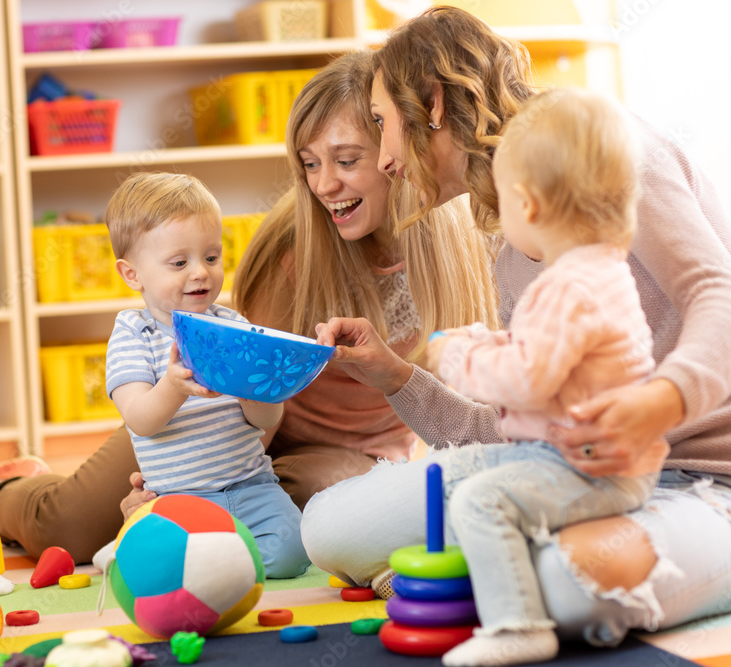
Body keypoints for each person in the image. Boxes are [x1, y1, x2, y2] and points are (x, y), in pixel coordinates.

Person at [0, 50, 498, 566]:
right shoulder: (290, 247)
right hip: (216, 422)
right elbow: (234, 376)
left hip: (339, 453)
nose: (325, 184)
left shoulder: (464, 250)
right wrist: (177, 484)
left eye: (348, 160)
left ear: (395, 153)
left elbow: (462, 410)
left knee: (311, 506)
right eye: (310, 163)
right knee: (69, 526)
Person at [304, 5, 731, 653]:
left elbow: (717, 292)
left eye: (383, 124)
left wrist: (661, 401)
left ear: (434, 105)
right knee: (333, 528)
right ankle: (514, 558)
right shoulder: (512, 256)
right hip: (563, 472)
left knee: (565, 586)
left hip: (700, 479)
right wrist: (399, 378)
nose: (386, 159)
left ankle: (536, 564)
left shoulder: (608, 155)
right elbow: (509, 428)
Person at [421, 88, 668, 666]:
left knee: (480, 500)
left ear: (527, 205)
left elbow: (528, 379)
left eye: (502, 200)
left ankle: (517, 626)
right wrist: (479, 340)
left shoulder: (567, 286)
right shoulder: (594, 272)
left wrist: (456, 359)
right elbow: (545, 353)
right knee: (452, 475)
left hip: (587, 469)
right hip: (574, 456)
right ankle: (483, 587)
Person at [96, 171, 309, 578]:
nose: (200, 272)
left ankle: (216, 570)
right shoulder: (132, 334)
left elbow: (265, 420)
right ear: (132, 275)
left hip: (251, 487)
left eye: (211, 257)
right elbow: (140, 419)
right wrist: (174, 386)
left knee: (293, 552)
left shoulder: (232, 326)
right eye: (180, 262)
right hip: (178, 499)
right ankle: (195, 563)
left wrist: (259, 392)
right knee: (159, 565)